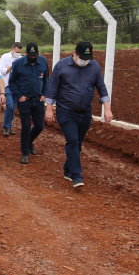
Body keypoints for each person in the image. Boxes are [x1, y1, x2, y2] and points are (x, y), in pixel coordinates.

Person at [46, 41, 112, 188]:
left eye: (87, 58)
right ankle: (77, 176)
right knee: (73, 142)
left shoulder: (94, 66)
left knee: (77, 143)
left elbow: (101, 87)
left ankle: (68, 170)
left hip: (85, 113)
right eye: (82, 57)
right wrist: (49, 109)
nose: (85, 61)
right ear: (74, 53)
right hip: (66, 111)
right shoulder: (62, 66)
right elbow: (52, 88)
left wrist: (107, 108)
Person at [9, 42, 49, 165]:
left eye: (35, 55)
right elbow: (12, 82)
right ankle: (25, 152)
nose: (33, 57)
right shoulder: (17, 64)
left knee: (40, 126)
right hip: (24, 101)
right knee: (26, 126)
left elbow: (46, 79)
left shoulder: (43, 61)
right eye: (31, 55)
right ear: (26, 53)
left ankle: (29, 141)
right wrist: (19, 96)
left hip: (38, 100)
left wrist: (44, 93)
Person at [0, 42, 23, 136]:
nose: (18, 54)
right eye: (16, 52)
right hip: (6, 85)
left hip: (16, 86)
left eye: (19, 52)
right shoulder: (5, 57)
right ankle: (6, 126)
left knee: (13, 107)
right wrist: (13, 65)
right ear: (12, 49)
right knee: (10, 106)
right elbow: (2, 71)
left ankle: (9, 126)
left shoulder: (21, 59)